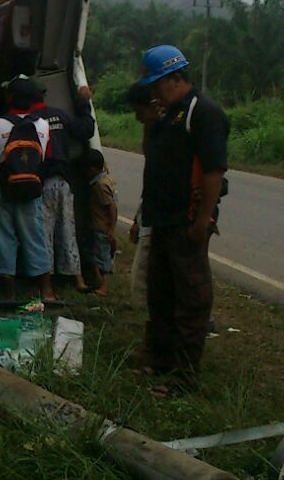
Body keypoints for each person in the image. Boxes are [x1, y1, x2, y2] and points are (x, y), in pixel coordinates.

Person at [136, 44, 229, 395]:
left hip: (187, 219)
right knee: (160, 293)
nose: (154, 91)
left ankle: (184, 376)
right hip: (162, 219)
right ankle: (160, 358)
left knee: (191, 297)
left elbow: (213, 170)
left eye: (158, 84)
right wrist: (149, 122)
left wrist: (203, 219)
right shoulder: (168, 114)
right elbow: (150, 154)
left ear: (176, 78)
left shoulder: (203, 113)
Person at [0, 75, 53, 301]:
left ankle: (9, 294)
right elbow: (44, 159)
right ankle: (47, 292)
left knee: (3, 238)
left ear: (10, 97)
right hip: (31, 189)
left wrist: (5, 172)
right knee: (35, 236)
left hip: (1, 189)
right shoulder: (43, 126)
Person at [35, 84, 95, 293]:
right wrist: (83, 102)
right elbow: (86, 130)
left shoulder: (27, 121)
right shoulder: (59, 115)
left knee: (44, 235)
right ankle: (79, 280)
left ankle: (47, 288)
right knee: (68, 230)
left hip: (40, 184)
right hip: (64, 181)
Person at [124, 81, 162, 309]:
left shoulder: (171, 135)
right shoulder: (155, 134)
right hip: (151, 215)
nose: (138, 119)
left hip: (163, 219)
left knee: (143, 279)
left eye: (140, 112)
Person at [79, 149, 117, 296]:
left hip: (102, 228)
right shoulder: (108, 179)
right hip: (99, 227)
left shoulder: (99, 186)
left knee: (103, 259)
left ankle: (104, 287)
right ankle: (98, 281)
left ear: (92, 170)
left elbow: (111, 207)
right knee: (94, 254)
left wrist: (112, 229)